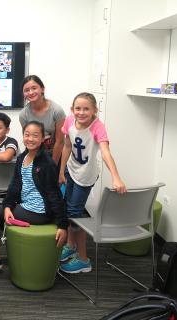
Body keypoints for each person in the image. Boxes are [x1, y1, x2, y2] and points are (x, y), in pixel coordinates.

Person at [0, 121, 68, 271]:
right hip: (26, 206)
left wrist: (62, 225)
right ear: (23, 136)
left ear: (43, 139)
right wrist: (7, 206)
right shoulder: (22, 158)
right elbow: (14, 186)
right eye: (27, 135)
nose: (30, 139)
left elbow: (54, 194)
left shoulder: (46, 162)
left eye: (35, 135)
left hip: (39, 211)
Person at [59, 92, 127, 274]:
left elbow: (105, 152)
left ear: (95, 110)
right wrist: (60, 171)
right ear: (72, 109)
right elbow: (67, 146)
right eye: (77, 108)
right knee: (68, 209)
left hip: (86, 176)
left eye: (86, 109)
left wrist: (116, 176)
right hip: (71, 170)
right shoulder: (68, 121)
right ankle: (71, 245)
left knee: (75, 213)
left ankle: (83, 259)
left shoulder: (98, 127)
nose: (81, 112)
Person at [19, 75, 65, 168]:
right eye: (26, 90)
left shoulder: (57, 111)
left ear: (42, 89)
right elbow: (28, 141)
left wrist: (52, 166)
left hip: (56, 155)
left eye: (34, 88)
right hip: (35, 157)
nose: (31, 92)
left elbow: (60, 142)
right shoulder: (23, 114)